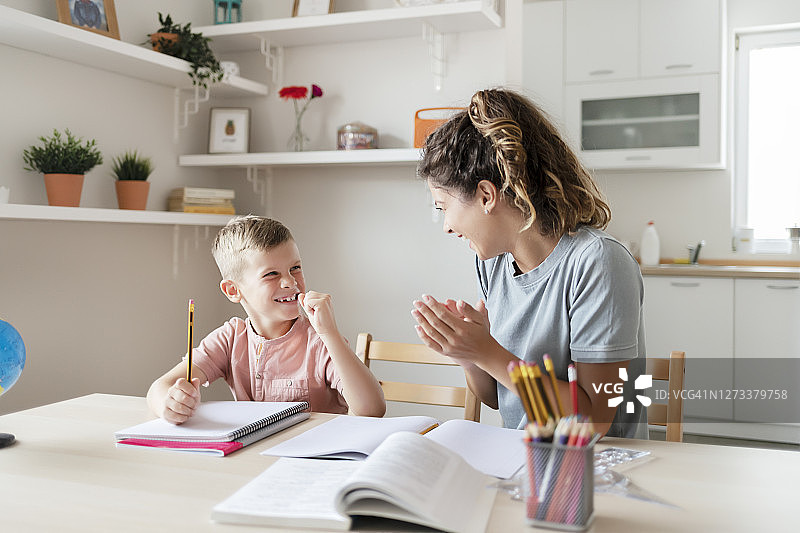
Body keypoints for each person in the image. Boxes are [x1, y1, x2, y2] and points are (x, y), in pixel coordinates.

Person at [411, 88, 646, 439]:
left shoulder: (598, 262)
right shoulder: (493, 264)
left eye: (443, 206)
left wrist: (486, 350)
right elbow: (496, 397)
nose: (446, 226)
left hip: (601, 469)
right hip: (520, 459)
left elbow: (595, 419)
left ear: (486, 196)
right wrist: (466, 352)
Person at [147, 215, 386, 424]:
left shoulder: (318, 341)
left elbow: (372, 410)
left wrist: (330, 334)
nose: (290, 282)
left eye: (295, 268)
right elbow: (158, 388)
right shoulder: (230, 338)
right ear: (233, 290)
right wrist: (169, 404)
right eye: (272, 274)